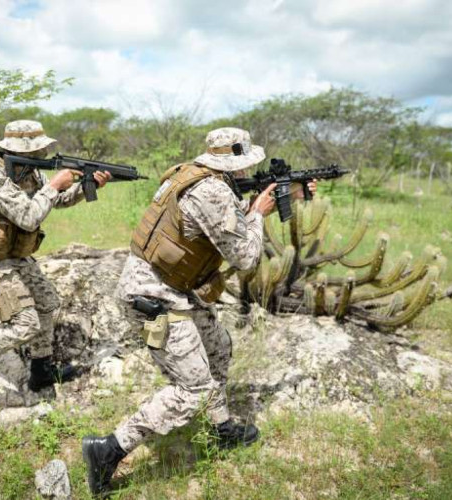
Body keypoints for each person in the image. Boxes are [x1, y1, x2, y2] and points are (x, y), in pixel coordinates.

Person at [81, 127, 317, 497]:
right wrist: (259, 212)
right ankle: (108, 449)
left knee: (218, 346)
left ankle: (221, 428)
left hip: (173, 287)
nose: (244, 172)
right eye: (242, 166)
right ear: (232, 164)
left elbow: (218, 225)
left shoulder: (196, 177)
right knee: (192, 389)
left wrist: (291, 193)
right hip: (154, 297)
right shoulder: (212, 191)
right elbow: (246, 256)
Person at [0, 120, 112, 412]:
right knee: (25, 325)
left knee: (47, 303)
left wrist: (84, 186)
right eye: (37, 148)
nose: (42, 153)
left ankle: (41, 371)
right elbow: (28, 217)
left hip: (12, 252)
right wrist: (53, 185)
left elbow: (56, 201)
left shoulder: (28, 169)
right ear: (16, 149)